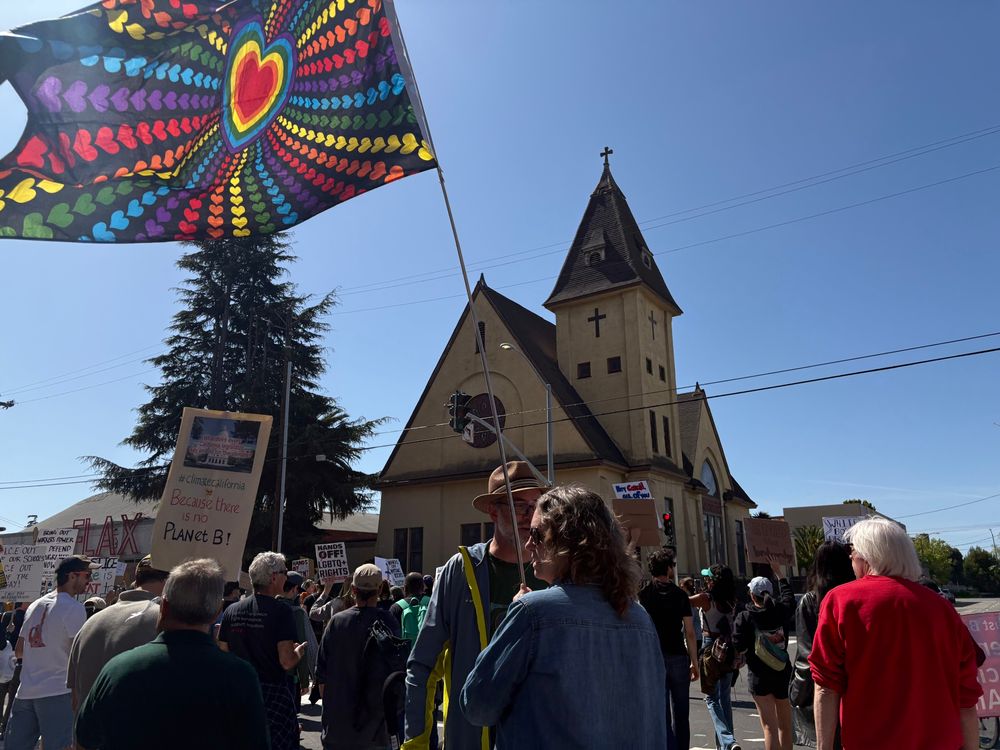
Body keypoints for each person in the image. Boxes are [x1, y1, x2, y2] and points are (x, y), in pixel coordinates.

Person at [461, 485, 667, 748]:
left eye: (536, 534)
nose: (527, 544)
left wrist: (509, 625)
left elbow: (477, 705)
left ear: (566, 540)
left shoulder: (533, 613)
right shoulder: (641, 619)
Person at [403, 460, 547, 749]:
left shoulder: (552, 569)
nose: (529, 516)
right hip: (470, 735)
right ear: (493, 510)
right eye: (518, 505)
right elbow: (422, 665)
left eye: (535, 506)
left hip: (537, 734)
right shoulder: (461, 570)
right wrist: (416, 742)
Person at [810, 517, 982, 750]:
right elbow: (966, 698)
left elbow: (826, 687)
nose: (851, 559)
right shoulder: (941, 608)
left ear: (865, 556)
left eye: (852, 553)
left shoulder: (842, 601)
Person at [74, 558, 269, 750]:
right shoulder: (241, 676)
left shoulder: (118, 668)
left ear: (164, 606)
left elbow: (84, 739)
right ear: (216, 611)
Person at [5, 555, 96, 750]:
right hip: (58, 690)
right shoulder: (74, 608)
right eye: (87, 576)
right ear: (72, 576)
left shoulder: (35, 605)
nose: (89, 581)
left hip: (26, 690)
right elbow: (77, 655)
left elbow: (19, 651)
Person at [219, 551, 306, 750]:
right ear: (274, 577)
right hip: (272, 696)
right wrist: (299, 653)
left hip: (238, 694)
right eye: (285, 571)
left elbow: (223, 652)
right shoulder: (282, 611)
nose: (287, 575)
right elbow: (286, 661)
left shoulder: (231, 610)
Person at [316, 563, 402, 750]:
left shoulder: (336, 622)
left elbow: (322, 676)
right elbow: (397, 673)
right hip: (376, 729)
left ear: (353, 589)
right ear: (379, 589)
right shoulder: (388, 622)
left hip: (338, 727)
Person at [67, 553, 170, 709]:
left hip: (87, 730)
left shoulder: (90, 623)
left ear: (137, 580)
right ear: (167, 581)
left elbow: (74, 699)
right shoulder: (164, 621)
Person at [789, 541, 853, 748]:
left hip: (824, 684)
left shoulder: (811, 601)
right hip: (853, 682)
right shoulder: (853, 596)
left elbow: (807, 653)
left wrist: (796, 690)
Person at [639, 549, 699, 750]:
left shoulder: (644, 595)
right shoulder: (680, 595)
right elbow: (689, 632)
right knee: (682, 712)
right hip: (678, 656)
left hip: (654, 656)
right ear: (668, 568)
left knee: (661, 712)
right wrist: (694, 662)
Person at [732, 561, 795, 750]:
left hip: (759, 675)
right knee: (786, 726)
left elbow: (738, 645)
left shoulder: (745, 616)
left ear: (752, 595)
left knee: (769, 728)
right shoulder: (781, 611)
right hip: (782, 671)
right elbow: (789, 598)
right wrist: (780, 575)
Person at [690, 564, 741, 750]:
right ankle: (726, 743)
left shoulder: (706, 599)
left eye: (708, 578)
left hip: (710, 647)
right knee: (725, 698)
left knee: (711, 698)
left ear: (713, 581)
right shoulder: (731, 600)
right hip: (727, 650)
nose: (706, 581)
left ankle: (727, 741)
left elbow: (684, 602)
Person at [0, 601, 27, 736]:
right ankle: (4, 728)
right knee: (11, 700)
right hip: (19, 663)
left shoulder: (6, 615)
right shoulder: (27, 617)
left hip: (4, 663)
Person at [389, 572, 429, 643]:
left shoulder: (396, 607)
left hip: (405, 651)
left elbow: (391, 635)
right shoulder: (432, 603)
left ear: (405, 588)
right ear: (423, 587)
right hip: (429, 650)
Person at [680, 577, 704, 652]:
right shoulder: (693, 599)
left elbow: (689, 620)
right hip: (697, 636)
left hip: (694, 637)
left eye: (682, 587)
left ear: (685, 587)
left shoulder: (688, 601)